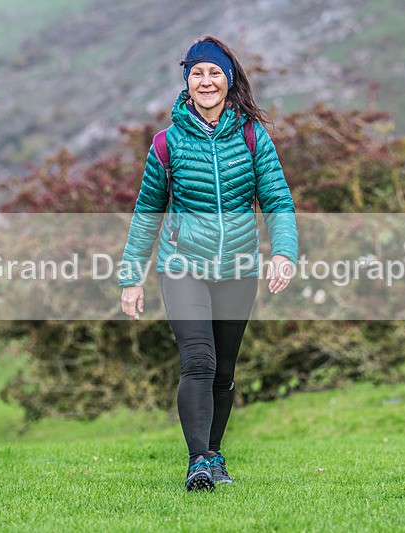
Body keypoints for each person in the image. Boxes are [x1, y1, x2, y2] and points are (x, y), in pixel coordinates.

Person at [119, 35, 298, 491]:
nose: (206, 80)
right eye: (197, 72)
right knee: (198, 361)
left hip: (239, 269)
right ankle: (197, 461)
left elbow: (277, 199)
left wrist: (283, 252)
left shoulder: (253, 136)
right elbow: (147, 212)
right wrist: (131, 277)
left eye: (214, 72)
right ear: (186, 81)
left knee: (224, 372)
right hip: (183, 267)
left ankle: (214, 454)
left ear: (228, 79)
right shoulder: (167, 143)